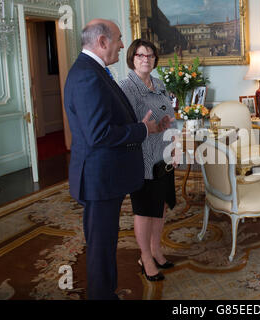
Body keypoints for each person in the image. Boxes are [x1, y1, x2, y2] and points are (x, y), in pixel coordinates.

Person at [64, 19, 173, 299]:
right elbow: (98, 133)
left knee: (106, 242)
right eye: (119, 39)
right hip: (98, 178)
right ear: (102, 42)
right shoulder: (88, 75)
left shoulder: (96, 71)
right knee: (101, 247)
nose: (123, 44)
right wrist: (143, 129)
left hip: (105, 176)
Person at [119, 39, 177, 282]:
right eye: (141, 55)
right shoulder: (125, 88)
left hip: (162, 154)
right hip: (141, 158)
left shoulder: (159, 83)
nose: (146, 59)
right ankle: (145, 257)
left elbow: (168, 117)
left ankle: (155, 250)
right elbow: (126, 126)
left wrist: (170, 140)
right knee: (144, 210)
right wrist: (147, 128)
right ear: (132, 58)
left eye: (150, 55)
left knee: (160, 205)